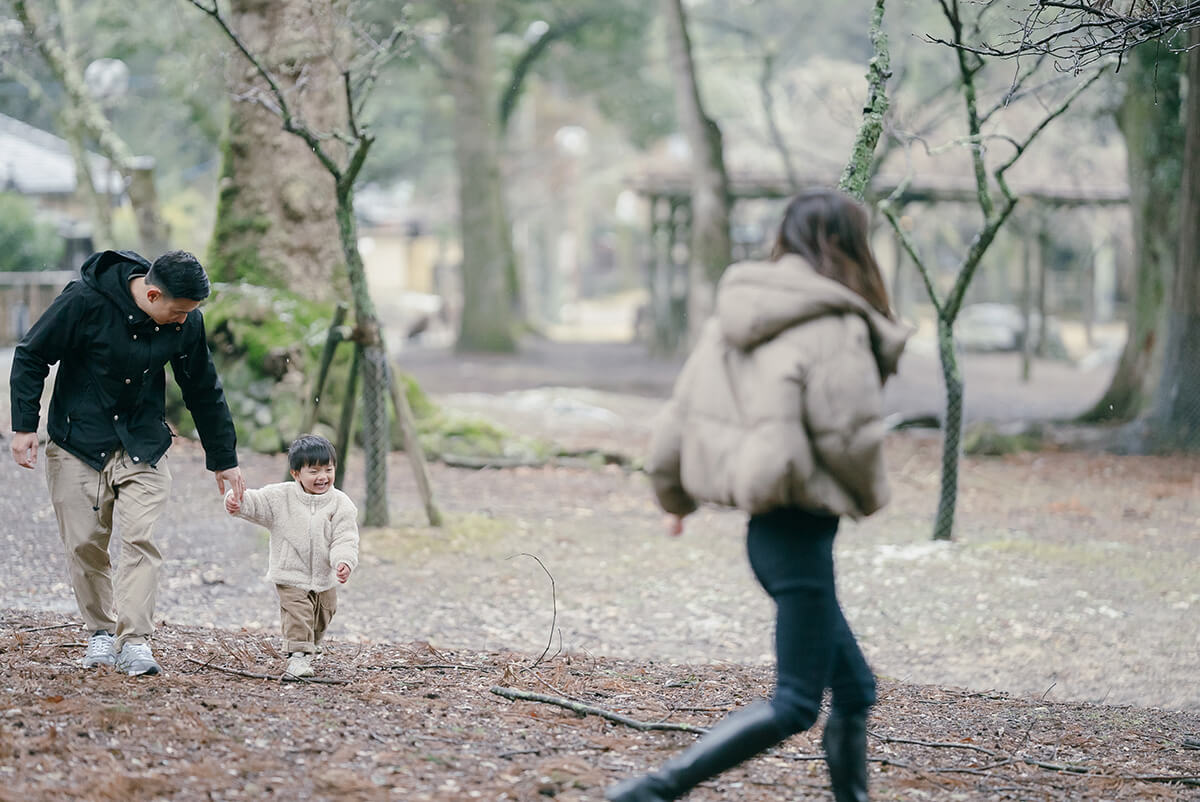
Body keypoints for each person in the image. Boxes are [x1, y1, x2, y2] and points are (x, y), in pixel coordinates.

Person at [606, 189, 912, 802]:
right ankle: (650, 792)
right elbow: (850, 436)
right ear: (847, 245)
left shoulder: (736, 313)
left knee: (854, 691)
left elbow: (679, 418)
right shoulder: (837, 323)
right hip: (798, 531)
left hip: (769, 537)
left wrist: (675, 499)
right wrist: (869, 496)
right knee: (797, 702)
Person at [9, 249, 245, 677]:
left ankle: (133, 640)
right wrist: (24, 425)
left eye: (189, 314)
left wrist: (223, 459)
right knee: (84, 543)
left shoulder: (185, 319)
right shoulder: (84, 301)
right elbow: (31, 355)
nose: (183, 321)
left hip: (143, 442)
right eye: (177, 312)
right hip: (78, 440)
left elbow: (202, 387)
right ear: (153, 294)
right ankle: (100, 631)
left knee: (140, 539)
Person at [224, 434, 359, 679]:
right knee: (297, 613)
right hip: (290, 573)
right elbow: (256, 503)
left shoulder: (341, 504)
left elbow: (345, 538)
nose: (323, 477)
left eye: (328, 469)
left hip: (324, 576)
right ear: (296, 473)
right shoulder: (281, 497)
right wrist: (237, 501)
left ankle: (310, 644)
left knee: (325, 611)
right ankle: (297, 656)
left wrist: (343, 561)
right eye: (314, 471)